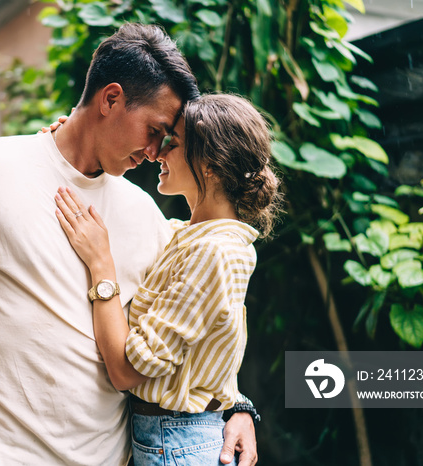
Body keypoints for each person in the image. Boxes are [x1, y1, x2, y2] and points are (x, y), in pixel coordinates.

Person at [0, 23, 259, 466]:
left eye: (166, 139)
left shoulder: (144, 211)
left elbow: (200, 318)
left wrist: (235, 406)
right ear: (111, 99)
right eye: (153, 129)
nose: (155, 151)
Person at [54, 93, 280, 465]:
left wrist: (101, 266)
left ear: (209, 166)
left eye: (171, 142)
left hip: (177, 444)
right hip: (172, 437)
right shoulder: (188, 237)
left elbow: (127, 371)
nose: (157, 152)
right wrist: (70, 142)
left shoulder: (214, 253)